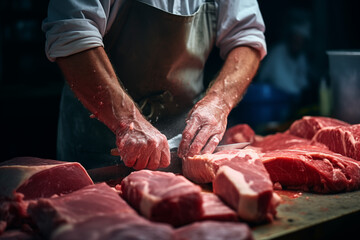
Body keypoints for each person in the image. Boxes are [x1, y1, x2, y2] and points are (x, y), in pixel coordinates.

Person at [42, 0, 267, 170]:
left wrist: (218, 103)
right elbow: (71, 32)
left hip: (184, 142)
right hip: (97, 145)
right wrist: (126, 122)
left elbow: (247, 36)